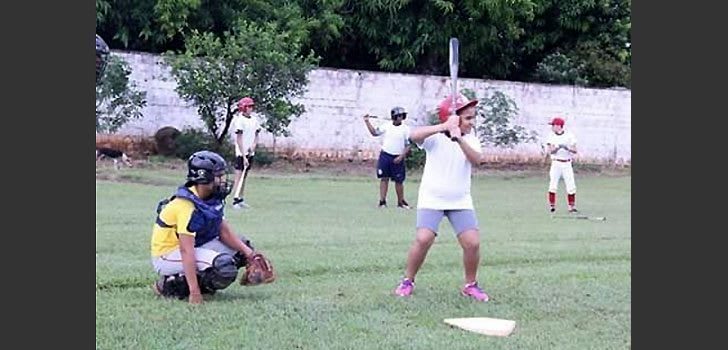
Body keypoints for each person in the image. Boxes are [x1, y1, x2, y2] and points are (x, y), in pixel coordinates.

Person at [393, 94, 490, 302]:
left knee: (472, 243)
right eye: (467, 118)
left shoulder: (470, 139)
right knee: (424, 238)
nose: (472, 123)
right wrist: (443, 127)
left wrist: (459, 138)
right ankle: (407, 281)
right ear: (452, 118)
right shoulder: (434, 138)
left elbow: (477, 161)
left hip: (460, 200)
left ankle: (470, 285)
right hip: (432, 198)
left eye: (473, 118)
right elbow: (413, 135)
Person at [150, 150, 274, 304]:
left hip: (192, 247)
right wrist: (195, 293)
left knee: (242, 247)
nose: (222, 180)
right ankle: (169, 286)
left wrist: (251, 254)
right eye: (218, 176)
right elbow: (186, 250)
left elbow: (223, 231)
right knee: (224, 267)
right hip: (167, 255)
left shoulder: (209, 197)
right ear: (203, 177)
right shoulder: (186, 205)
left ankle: (189, 279)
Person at [363, 107, 412, 209]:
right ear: (394, 117)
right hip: (385, 156)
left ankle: (401, 202)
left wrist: (401, 156)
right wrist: (367, 122)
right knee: (384, 178)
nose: (401, 118)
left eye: (402, 116)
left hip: (398, 157)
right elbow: (374, 133)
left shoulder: (406, 129)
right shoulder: (387, 126)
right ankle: (382, 202)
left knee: (399, 181)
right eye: (399, 116)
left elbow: (408, 145)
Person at [230, 97, 262, 209]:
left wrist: (253, 146)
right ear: (243, 108)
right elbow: (239, 139)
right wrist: (244, 156)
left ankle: (241, 198)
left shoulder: (254, 120)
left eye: (252, 106)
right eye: (249, 106)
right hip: (241, 153)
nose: (251, 109)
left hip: (250, 152)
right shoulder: (240, 120)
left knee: (244, 176)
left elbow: (256, 135)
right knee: (239, 176)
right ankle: (235, 200)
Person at [544, 117, 578, 213]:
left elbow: (575, 150)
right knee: (553, 184)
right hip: (556, 162)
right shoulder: (551, 136)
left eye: (553, 125)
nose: (552, 127)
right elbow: (551, 151)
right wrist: (558, 148)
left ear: (559, 126)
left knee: (571, 185)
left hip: (566, 162)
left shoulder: (569, 136)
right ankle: (552, 206)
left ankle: (571, 207)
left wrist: (567, 148)